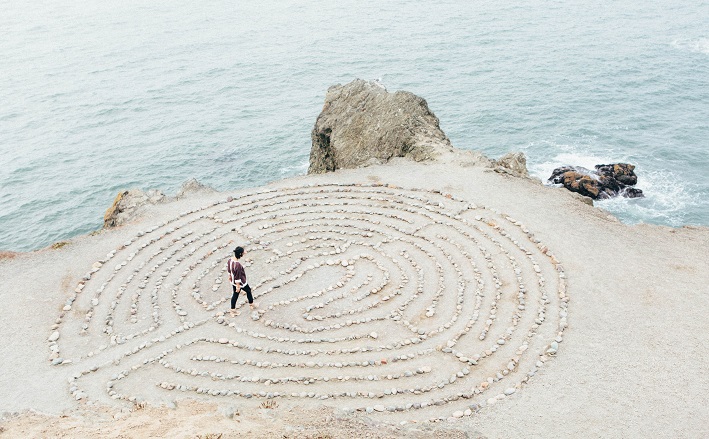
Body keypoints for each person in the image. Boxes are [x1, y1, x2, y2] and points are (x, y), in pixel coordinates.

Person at [226, 246, 254, 316]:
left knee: (235, 295)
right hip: (240, 283)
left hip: (233, 281)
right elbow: (238, 276)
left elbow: (229, 269)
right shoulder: (237, 265)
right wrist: (238, 286)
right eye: (243, 252)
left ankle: (233, 309)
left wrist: (230, 276)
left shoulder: (230, 260)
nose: (245, 252)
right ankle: (251, 304)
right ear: (240, 254)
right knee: (248, 290)